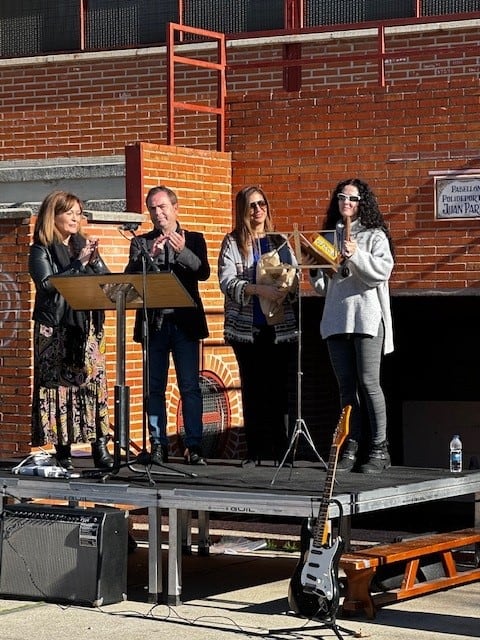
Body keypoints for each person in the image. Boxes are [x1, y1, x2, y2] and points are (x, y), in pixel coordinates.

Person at [308, 178, 395, 474]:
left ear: (362, 203)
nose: (347, 202)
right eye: (342, 197)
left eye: (353, 198)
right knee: (346, 388)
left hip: (367, 319)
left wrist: (356, 253)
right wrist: (315, 268)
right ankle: (351, 446)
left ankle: (380, 449)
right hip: (336, 319)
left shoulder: (374, 235)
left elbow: (380, 273)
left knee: (369, 384)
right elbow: (323, 287)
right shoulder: (329, 235)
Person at [124, 185, 210, 466]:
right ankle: (158, 444)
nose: (158, 213)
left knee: (189, 386)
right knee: (154, 387)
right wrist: (148, 255)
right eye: (152, 208)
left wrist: (183, 251)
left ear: (175, 208)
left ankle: (193, 446)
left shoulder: (194, 239)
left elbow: (203, 272)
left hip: (184, 324)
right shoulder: (141, 242)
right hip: (154, 324)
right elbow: (129, 277)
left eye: (162, 207)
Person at [28, 190, 114, 471]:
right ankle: (61, 449)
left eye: (79, 212)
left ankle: (99, 445)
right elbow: (46, 284)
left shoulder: (83, 245)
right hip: (54, 328)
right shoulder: (40, 249)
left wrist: (94, 259)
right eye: (70, 212)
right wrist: (78, 265)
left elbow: (107, 280)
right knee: (58, 390)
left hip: (86, 328)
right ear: (54, 216)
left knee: (92, 383)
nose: (76, 218)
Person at [218, 186, 298, 465]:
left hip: (278, 327)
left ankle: (281, 451)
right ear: (243, 210)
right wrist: (257, 289)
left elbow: (296, 278)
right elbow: (226, 282)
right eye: (251, 205)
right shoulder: (233, 242)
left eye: (261, 204)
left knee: (277, 389)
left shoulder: (280, 241)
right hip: (247, 328)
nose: (257, 210)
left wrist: (288, 286)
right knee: (253, 388)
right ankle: (255, 451)